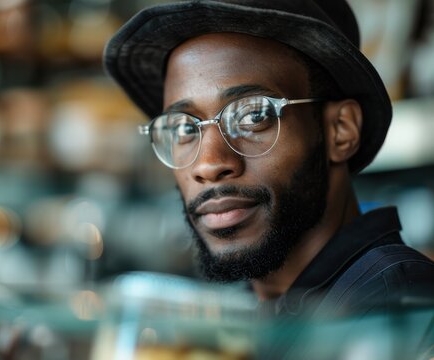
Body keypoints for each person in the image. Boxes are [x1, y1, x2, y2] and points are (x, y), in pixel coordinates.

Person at [104, 0, 434, 320]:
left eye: (253, 116)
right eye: (183, 128)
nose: (208, 164)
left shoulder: (398, 308)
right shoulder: (253, 313)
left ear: (340, 130)